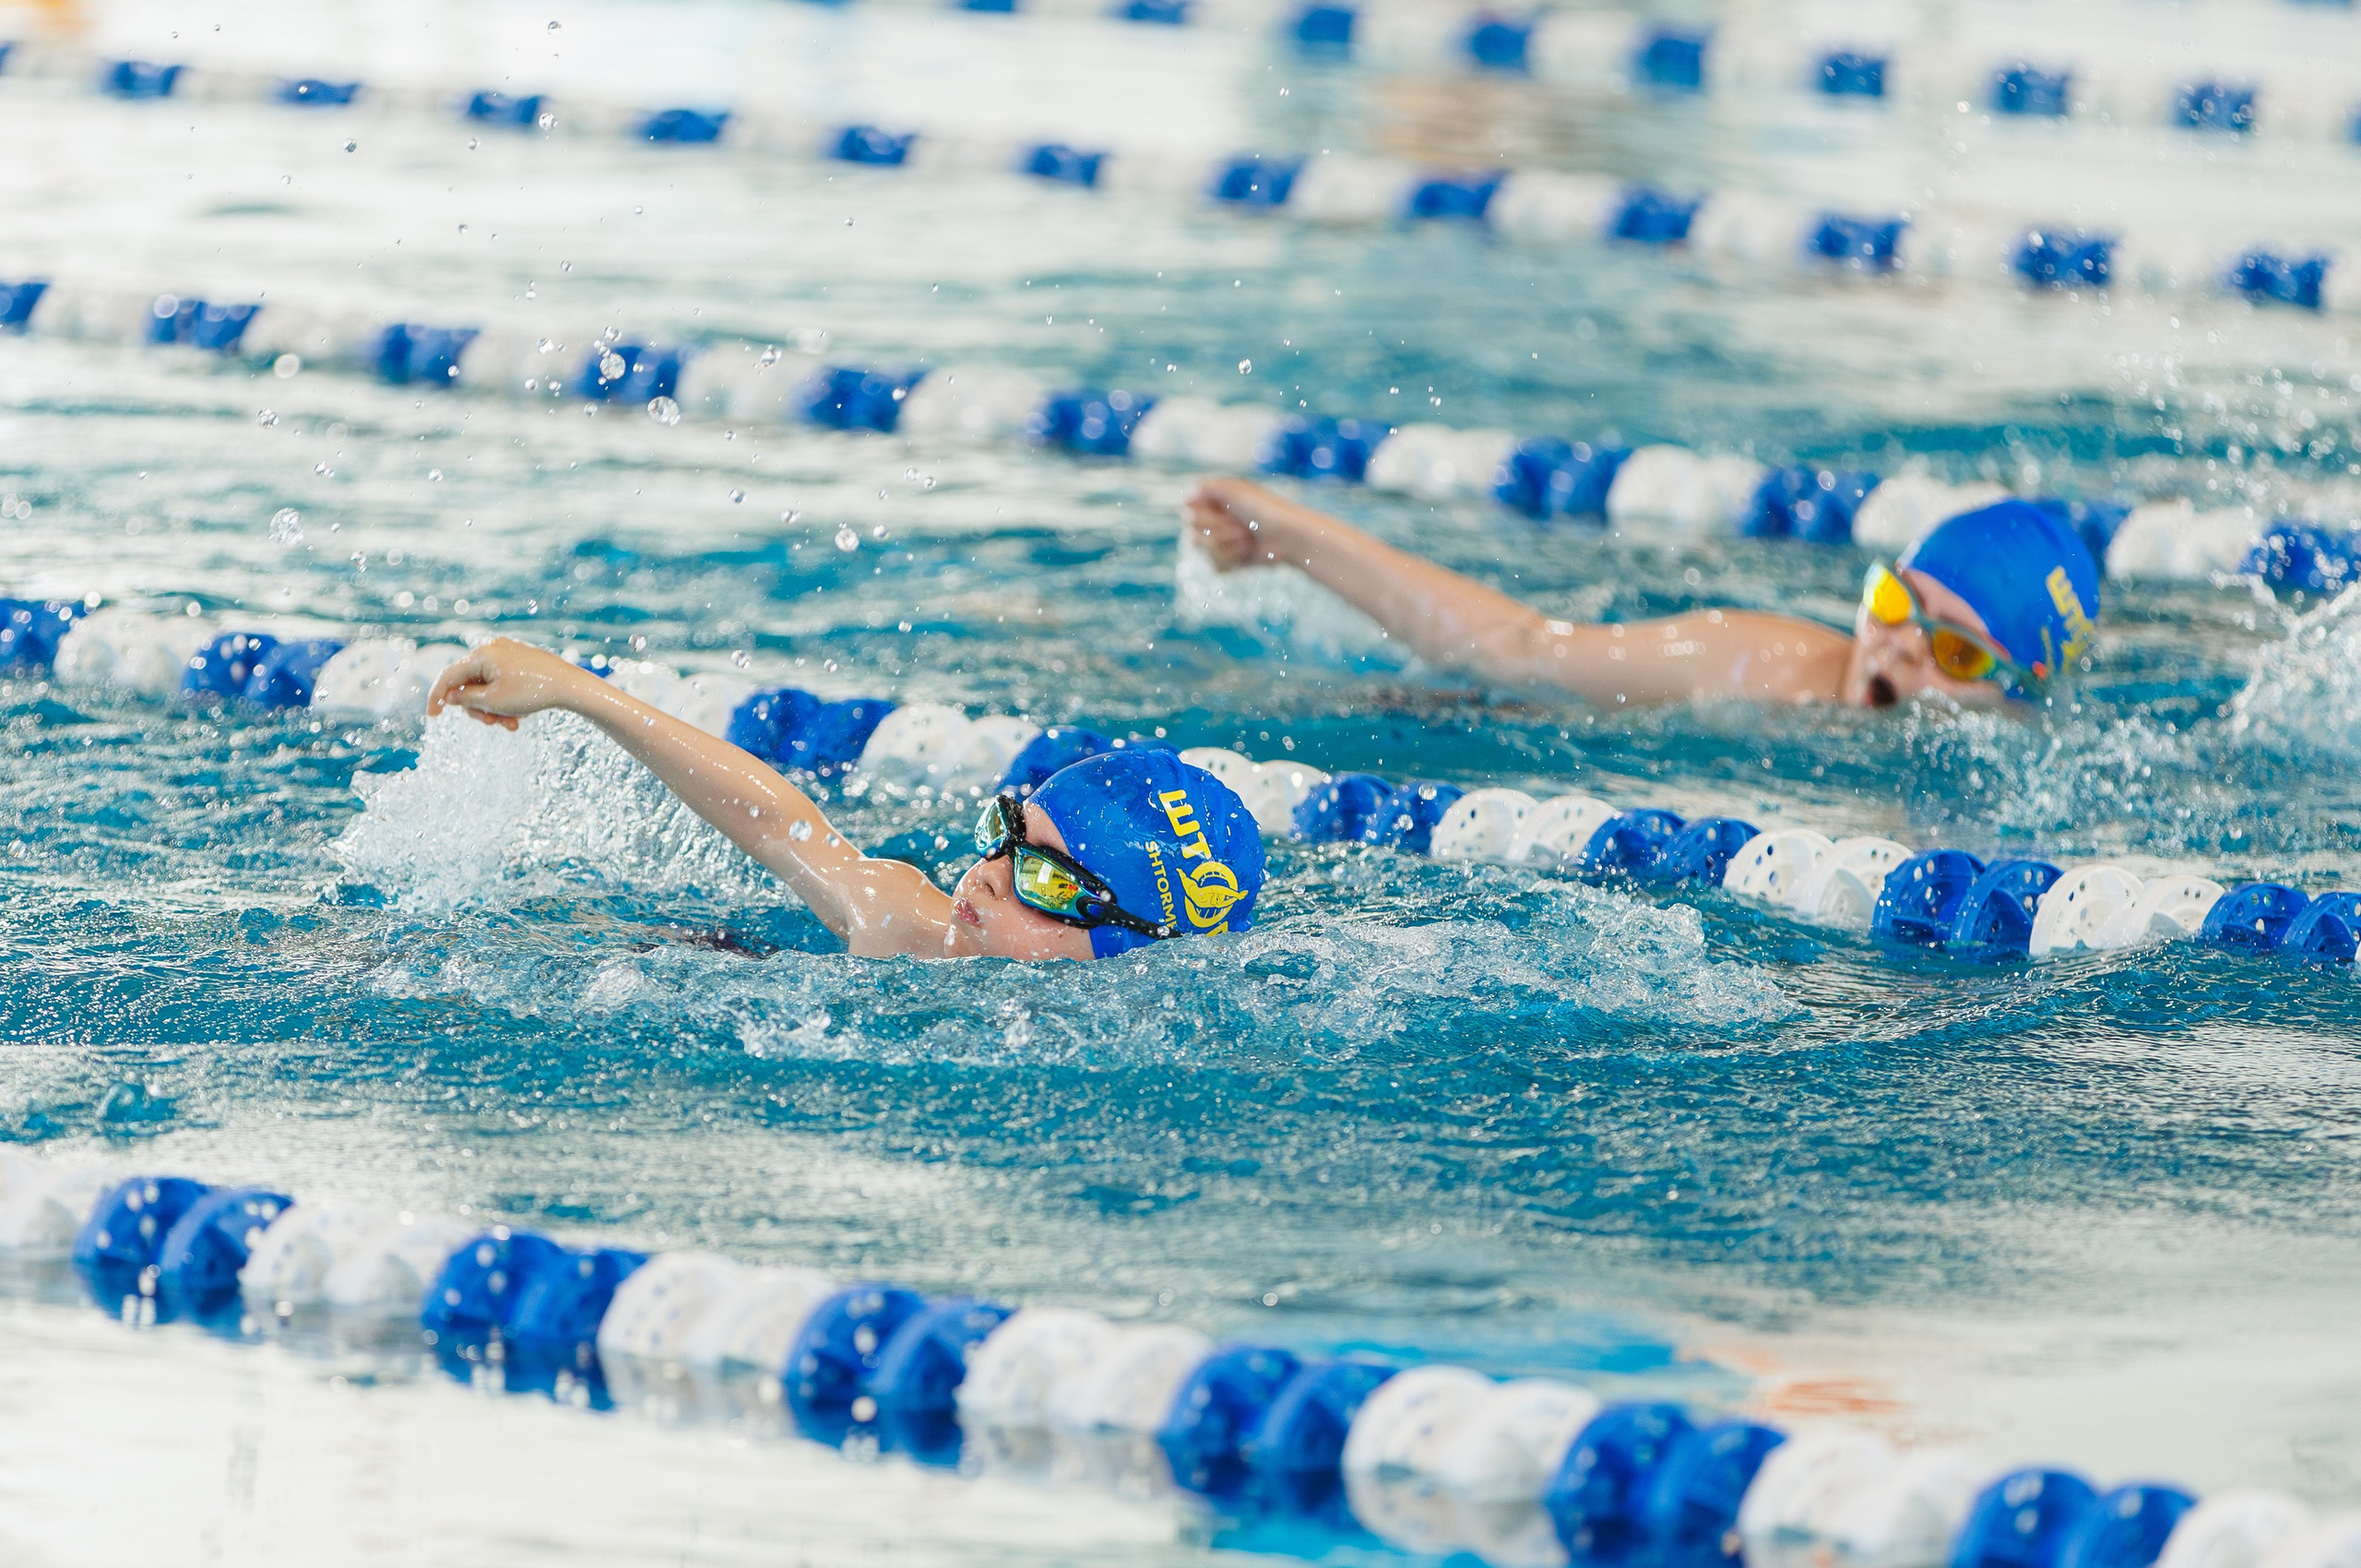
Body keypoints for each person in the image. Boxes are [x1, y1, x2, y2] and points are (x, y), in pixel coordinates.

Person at [427, 639, 1264, 962]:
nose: (984, 875)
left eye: (1041, 879)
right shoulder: (915, 927)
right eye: (1003, 835)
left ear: (1125, 943)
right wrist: (582, 692)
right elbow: (782, 825)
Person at [1183, 477, 2101, 709]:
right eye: (1895, 605)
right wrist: (1289, 541)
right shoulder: (1761, 660)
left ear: (2017, 689)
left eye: (1950, 650)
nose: (1895, 647)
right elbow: (1523, 651)